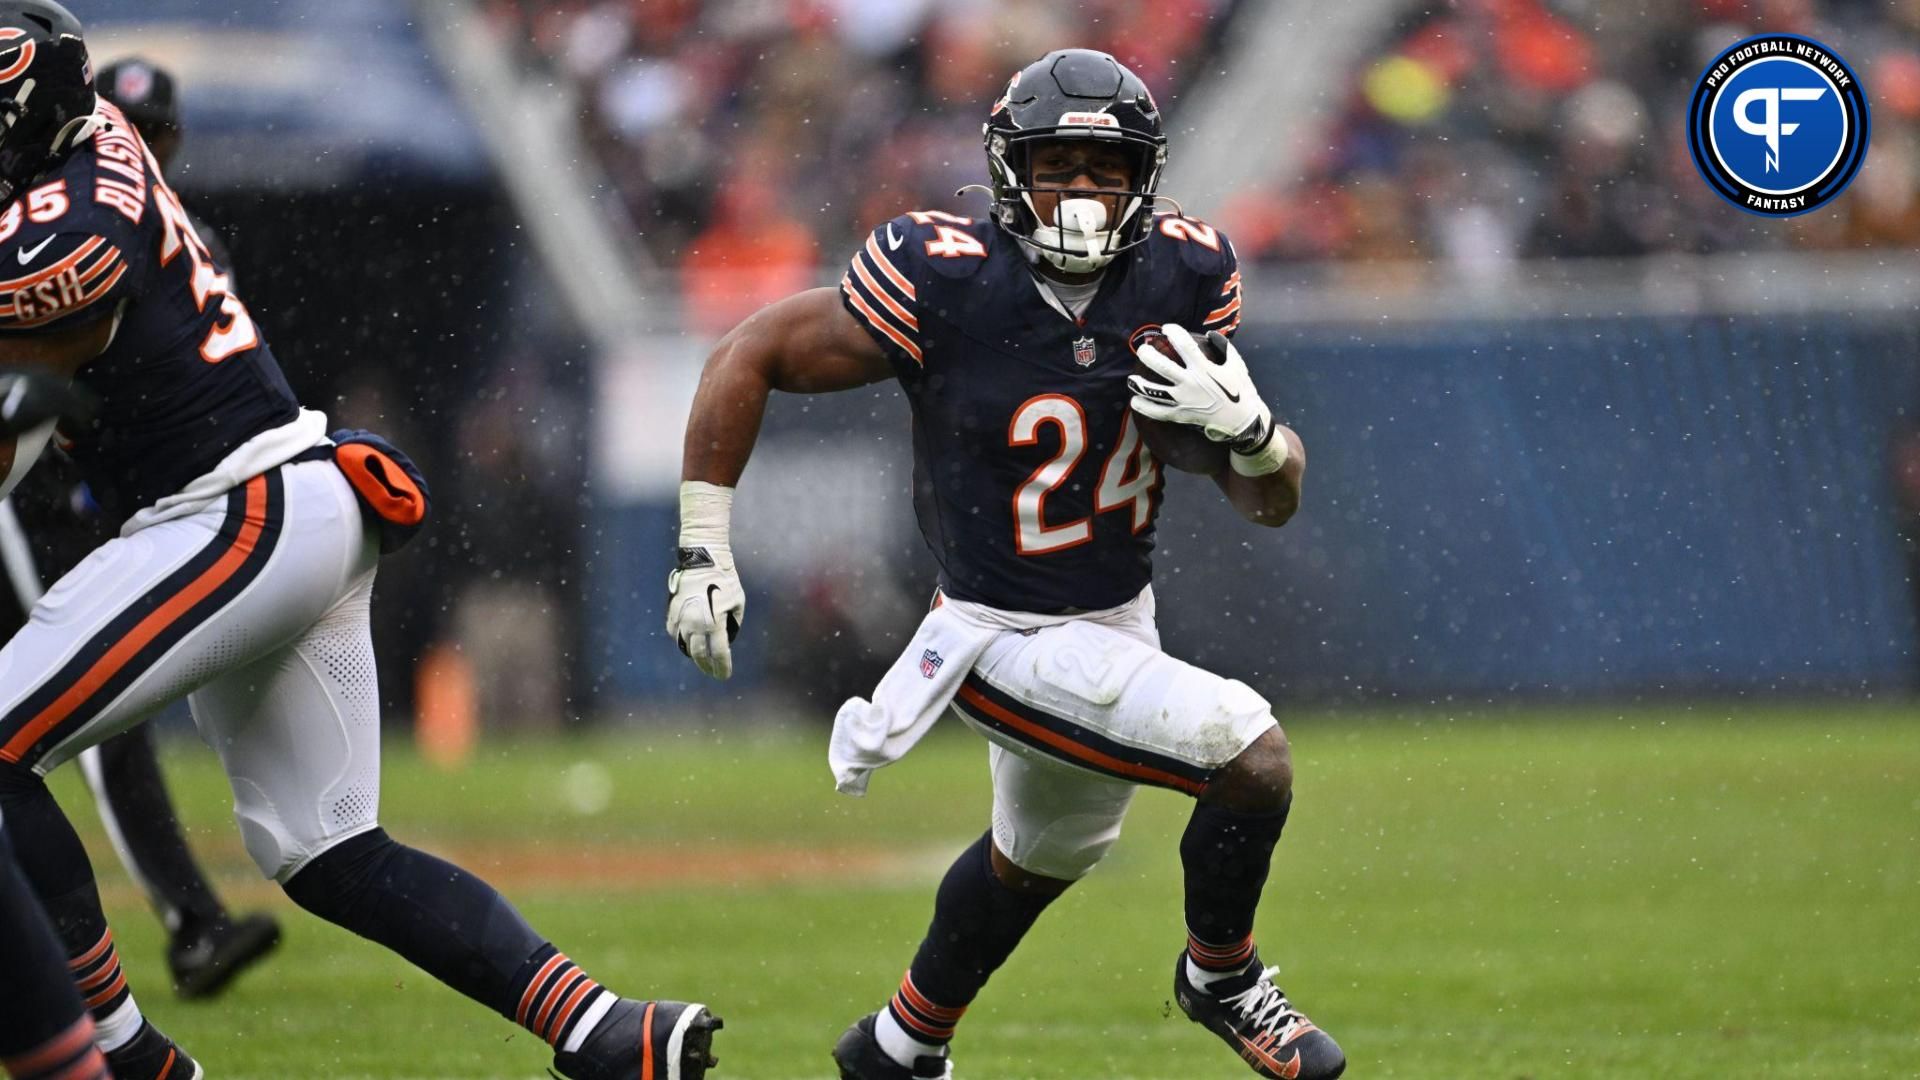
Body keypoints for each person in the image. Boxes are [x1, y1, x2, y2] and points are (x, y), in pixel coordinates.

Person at [0, 4, 720, 1078]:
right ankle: (609, 1030)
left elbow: (40, 336)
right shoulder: (90, 148)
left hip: (231, 511)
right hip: (287, 505)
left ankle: (122, 1054)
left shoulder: (76, 215)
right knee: (329, 850)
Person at [667, 47, 1344, 1080]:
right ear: (1007, 171)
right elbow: (748, 351)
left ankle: (898, 1047)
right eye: (1057, 165)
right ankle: (1223, 978)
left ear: (1144, 179)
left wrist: (1256, 435)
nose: (1081, 192)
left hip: (1118, 620)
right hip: (996, 636)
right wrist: (703, 544)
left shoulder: (1182, 274)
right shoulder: (944, 274)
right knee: (1248, 756)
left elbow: (1268, 500)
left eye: (1106, 169)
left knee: (1035, 860)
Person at [0, 53, 280, 1004]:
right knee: (56, 728)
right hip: (45, 489)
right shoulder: (99, 210)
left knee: (55, 723)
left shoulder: (127, 223)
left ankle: (158, 947)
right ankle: (177, 932)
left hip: (97, 489)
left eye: (146, 127)